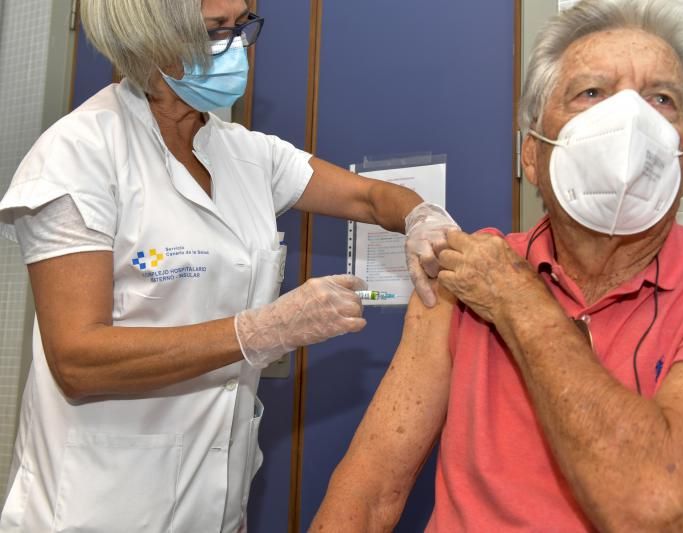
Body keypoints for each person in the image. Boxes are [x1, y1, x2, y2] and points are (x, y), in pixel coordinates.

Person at [311, 0, 683, 531]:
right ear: (531, 155)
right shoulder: (468, 273)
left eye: (661, 98)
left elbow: (658, 506)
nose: (629, 122)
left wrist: (516, 297)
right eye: (591, 93)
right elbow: (369, 492)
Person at [0, 0, 459, 531]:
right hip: (100, 505)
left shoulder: (246, 154)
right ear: (150, 37)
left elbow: (370, 199)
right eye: (216, 30)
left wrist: (421, 217)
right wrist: (261, 330)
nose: (238, 46)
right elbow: (77, 361)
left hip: (214, 502)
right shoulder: (78, 154)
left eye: (243, 25)